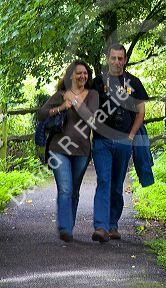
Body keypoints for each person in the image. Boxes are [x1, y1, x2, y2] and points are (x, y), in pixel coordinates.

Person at [91, 43, 149, 242]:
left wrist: (131, 136)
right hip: (101, 141)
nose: (117, 62)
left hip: (124, 141)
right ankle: (100, 226)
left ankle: (113, 225)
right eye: (113, 58)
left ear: (124, 60)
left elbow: (141, 113)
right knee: (104, 181)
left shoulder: (134, 82)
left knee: (116, 184)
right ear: (108, 59)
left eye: (120, 58)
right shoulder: (97, 83)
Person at [38, 60, 99, 242]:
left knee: (74, 190)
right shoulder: (61, 94)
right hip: (59, 149)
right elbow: (41, 114)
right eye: (79, 73)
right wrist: (61, 107)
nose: (83, 76)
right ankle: (65, 228)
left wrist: (75, 102)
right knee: (65, 189)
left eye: (85, 73)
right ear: (70, 75)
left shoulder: (93, 95)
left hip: (82, 151)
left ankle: (68, 225)